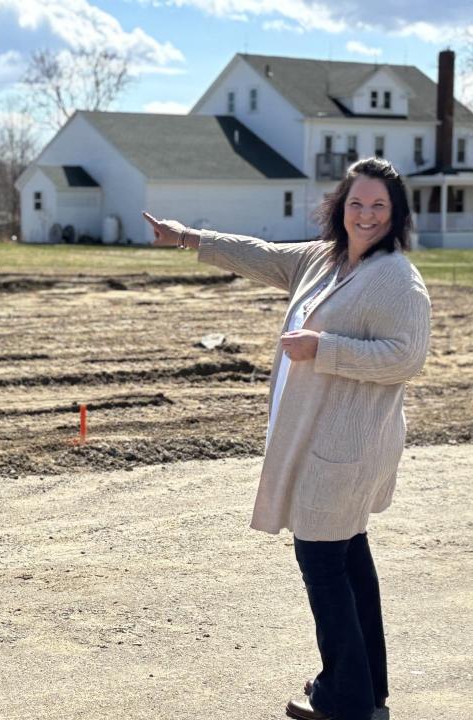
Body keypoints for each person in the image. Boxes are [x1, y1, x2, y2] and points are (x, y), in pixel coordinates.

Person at [143, 156, 431, 720]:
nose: (366, 215)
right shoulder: (324, 261)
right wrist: (188, 238)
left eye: (378, 206)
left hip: (345, 451)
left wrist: (325, 349)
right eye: (357, 203)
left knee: (323, 564)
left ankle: (343, 698)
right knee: (348, 561)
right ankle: (367, 689)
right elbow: (263, 255)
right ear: (340, 206)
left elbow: (407, 357)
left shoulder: (396, 277)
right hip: (320, 444)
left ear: (395, 214)